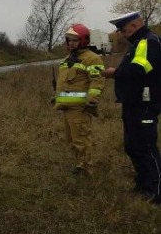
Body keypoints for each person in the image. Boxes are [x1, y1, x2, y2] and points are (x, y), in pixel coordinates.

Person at [102, 11, 161, 205]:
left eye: (123, 29)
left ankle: (156, 191)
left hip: (144, 105)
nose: (121, 33)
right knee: (133, 146)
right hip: (134, 104)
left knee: (145, 147)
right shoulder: (138, 44)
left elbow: (139, 69)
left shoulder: (147, 42)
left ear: (134, 26)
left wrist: (114, 73)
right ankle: (143, 185)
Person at [53, 24, 105, 175]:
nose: (71, 43)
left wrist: (92, 100)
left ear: (83, 40)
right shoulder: (67, 59)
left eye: (75, 40)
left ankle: (86, 168)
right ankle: (80, 164)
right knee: (72, 140)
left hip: (80, 108)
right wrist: (57, 97)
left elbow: (97, 81)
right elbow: (66, 83)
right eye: (69, 40)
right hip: (66, 108)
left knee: (81, 139)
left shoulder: (92, 59)